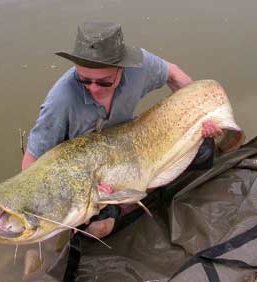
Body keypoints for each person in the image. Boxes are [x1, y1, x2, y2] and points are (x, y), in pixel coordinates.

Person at [21, 21, 223, 239]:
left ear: (122, 68)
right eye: (84, 80)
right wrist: (44, 207)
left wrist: (198, 110)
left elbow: (173, 74)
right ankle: (120, 207)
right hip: (83, 169)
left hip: (125, 144)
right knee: (99, 230)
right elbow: (31, 161)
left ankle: (134, 198)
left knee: (202, 147)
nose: (93, 88)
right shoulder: (60, 101)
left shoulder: (141, 66)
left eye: (104, 82)